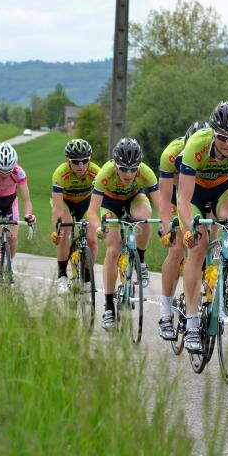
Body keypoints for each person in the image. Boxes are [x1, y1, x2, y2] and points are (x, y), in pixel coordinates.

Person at [178, 102, 228, 352]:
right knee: (199, 246)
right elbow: (183, 198)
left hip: (222, 188)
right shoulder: (197, 145)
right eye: (222, 137)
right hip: (195, 194)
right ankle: (192, 322)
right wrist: (188, 228)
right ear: (213, 133)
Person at [86, 138, 160, 330]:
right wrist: (98, 228)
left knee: (145, 216)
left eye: (133, 169)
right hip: (109, 204)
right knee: (113, 249)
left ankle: (140, 261)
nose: (128, 174)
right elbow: (92, 211)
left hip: (134, 198)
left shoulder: (146, 173)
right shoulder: (105, 173)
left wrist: (166, 226)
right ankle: (109, 306)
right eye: (123, 169)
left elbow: (161, 206)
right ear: (115, 165)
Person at [156, 120, 209, 341]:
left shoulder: (211, 151)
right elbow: (165, 198)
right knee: (177, 247)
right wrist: (168, 227)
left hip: (207, 191)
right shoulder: (171, 155)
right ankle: (166, 310)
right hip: (181, 198)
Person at [50, 138, 101, 294]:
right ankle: (62, 276)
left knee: (92, 240)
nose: (81, 166)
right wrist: (56, 230)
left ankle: (86, 278)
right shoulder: (60, 174)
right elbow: (58, 208)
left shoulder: (96, 172)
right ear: (68, 160)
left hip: (86, 203)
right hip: (65, 203)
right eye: (76, 161)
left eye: (85, 161)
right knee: (65, 228)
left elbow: (100, 201)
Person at [0, 143, 36, 276]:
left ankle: (10, 268)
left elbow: (26, 199)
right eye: (1, 171)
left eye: (7, 171)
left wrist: (28, 214)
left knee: (12, 236)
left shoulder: (19, 172)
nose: (4, 175)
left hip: (10, 201)